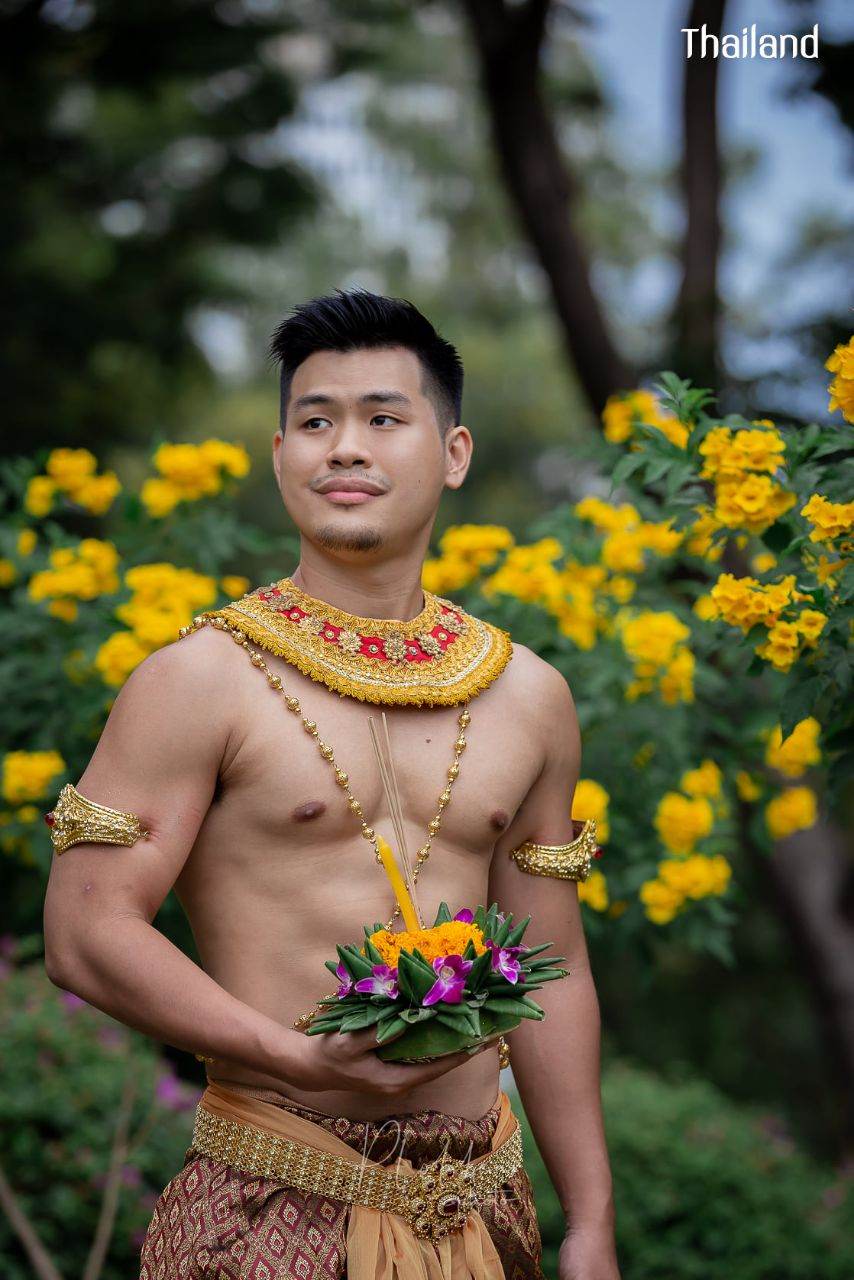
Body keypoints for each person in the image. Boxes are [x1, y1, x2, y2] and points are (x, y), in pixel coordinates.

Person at [42, 288, 620, 1280]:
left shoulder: (528, 695)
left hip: (488, 1215)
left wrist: (590, 1224)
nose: (342, 447)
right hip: (265, 1200)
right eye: (314, 421)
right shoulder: (197, 680)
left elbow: (551, 967)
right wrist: (296, 1055)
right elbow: (85, 931)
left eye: (382, 418)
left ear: (453, 453)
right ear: (279, 458)